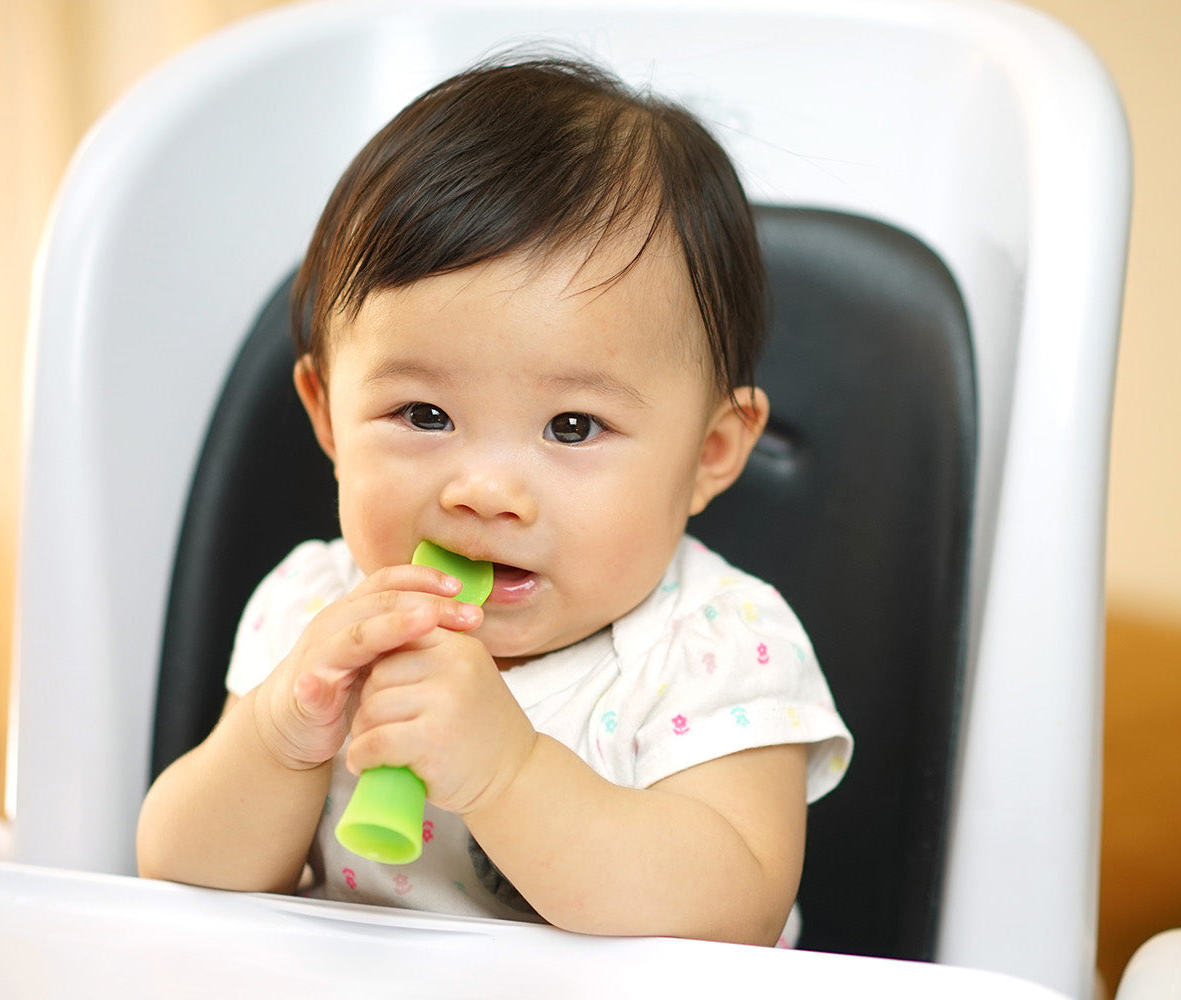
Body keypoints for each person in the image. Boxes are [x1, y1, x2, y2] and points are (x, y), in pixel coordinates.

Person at [136, 54, 851, 948]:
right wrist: (281, 738)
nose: (485, 492)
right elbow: (181, 871)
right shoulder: (316, 614)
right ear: (327, 414)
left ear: (710, 452)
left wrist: (505, 773)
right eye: (424, 414)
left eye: (574, 427)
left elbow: (729, 911)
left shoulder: (715, 649)